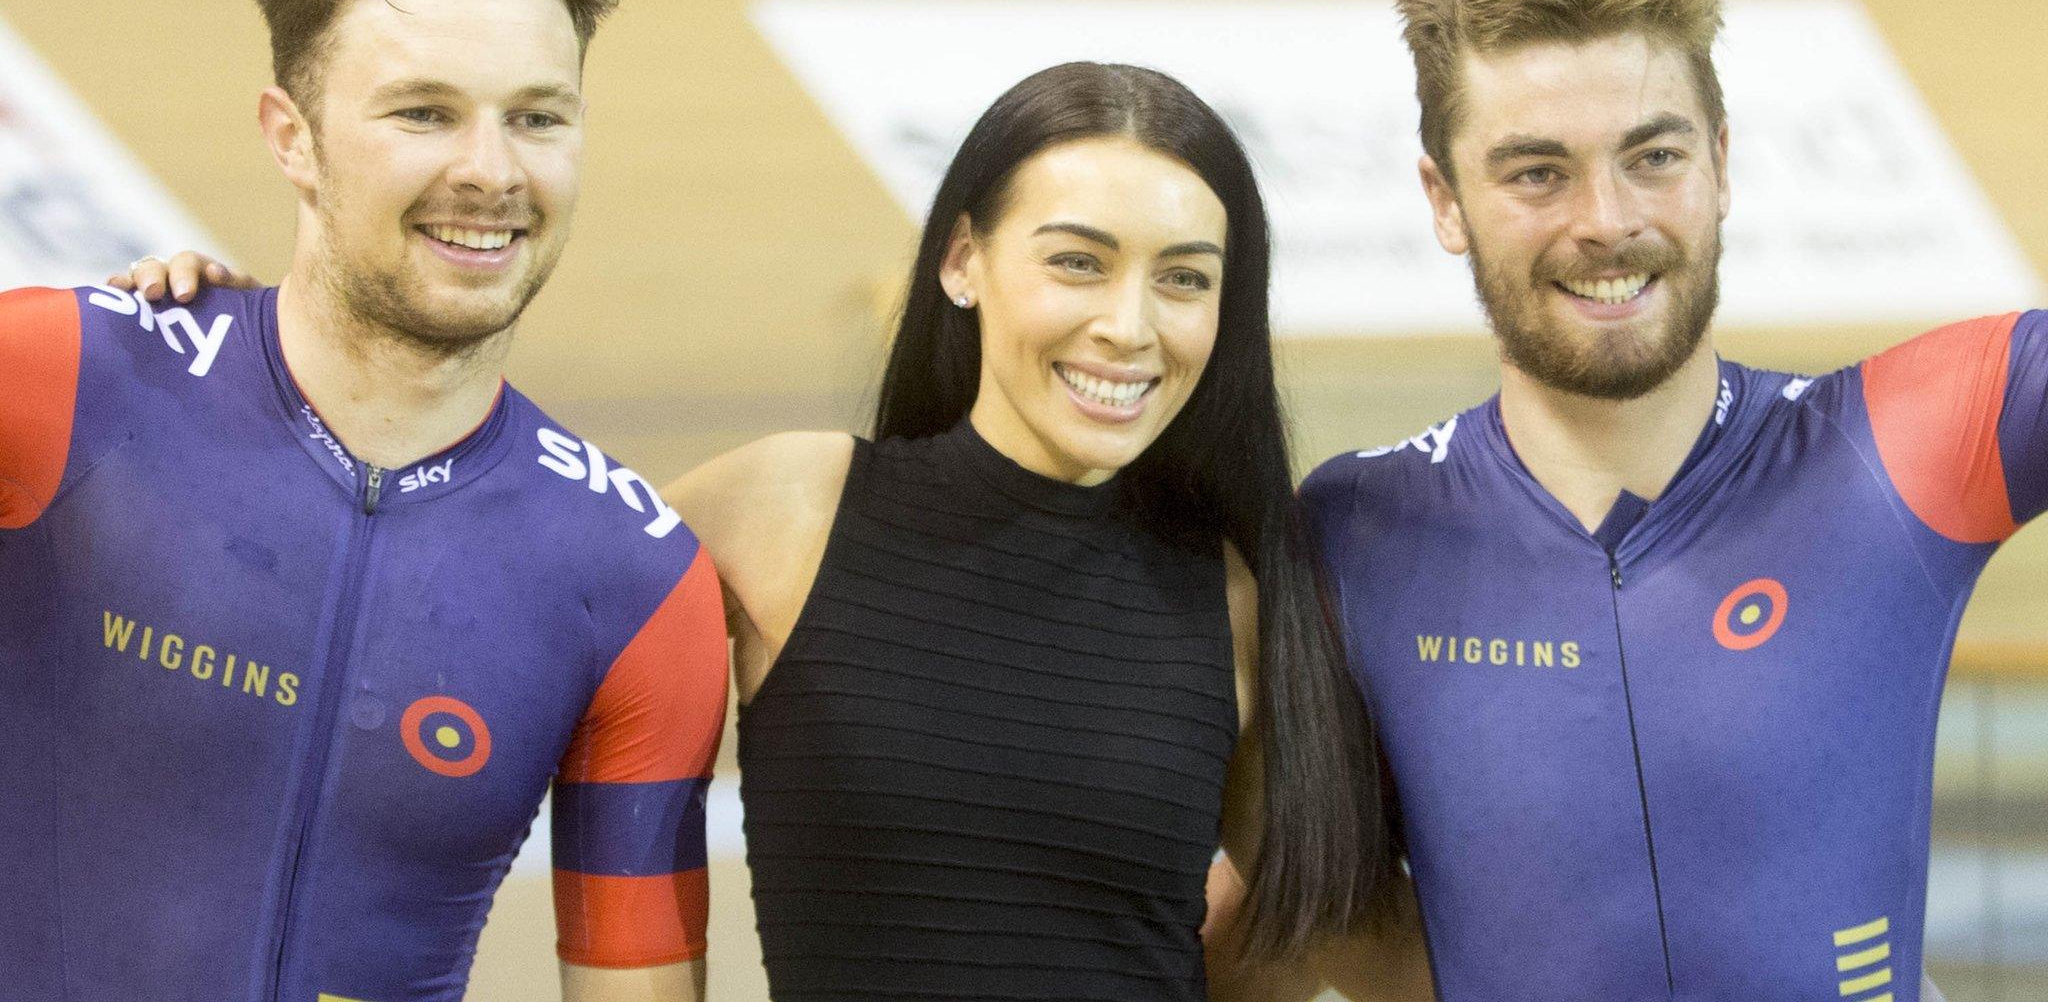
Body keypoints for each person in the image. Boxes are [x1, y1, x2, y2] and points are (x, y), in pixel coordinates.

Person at [121, 61, 1436, 1000]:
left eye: (1186, 281)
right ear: (964, 262)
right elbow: (454, 574)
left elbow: (1320, 937)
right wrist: (242, 361)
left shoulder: (1237, 598)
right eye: (1077, 261)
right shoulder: (785, 507)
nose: (1130, 326)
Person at [0, 0, 726, 1000]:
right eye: (423, 113)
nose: (489, 171)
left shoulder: (634, 585)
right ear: (291, 136)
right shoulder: (52, 379)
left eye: (535, 117)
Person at [1298, 0, 2008, 1001]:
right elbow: (1280, 901)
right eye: (1536, 171)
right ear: (1443, 201)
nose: (1605, 219)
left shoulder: (1895, 449)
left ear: (1719, 164)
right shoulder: (1347, 533)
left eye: (1652, 156)